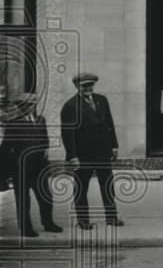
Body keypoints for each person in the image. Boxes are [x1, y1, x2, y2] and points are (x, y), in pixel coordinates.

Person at [60, 73, 121, 229]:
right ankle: (83, 220)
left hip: (103, 152)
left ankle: (112, 218)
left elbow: (109, 124)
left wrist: (114, 146)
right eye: (84, 86)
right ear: (77, 86)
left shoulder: (102, 100)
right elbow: (68, 134)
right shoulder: (70, 106)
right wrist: (72, 156)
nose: (88, 88)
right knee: (81, 188)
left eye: (91, 85)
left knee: (107, 185)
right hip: (83, 155)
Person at [3, 94, 60, 237]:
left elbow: (45, 140)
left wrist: (46, 155)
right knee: (23, 200)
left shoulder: (41, 120)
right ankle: (25, 227)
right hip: (21, 169)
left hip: (40, 167)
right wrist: (13, 165)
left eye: (32, 104)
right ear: (20, 107)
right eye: (26, 105)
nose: (29, 107)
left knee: (45, 196)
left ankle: (48, 223)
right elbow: (5, 148)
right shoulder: (13, 123)